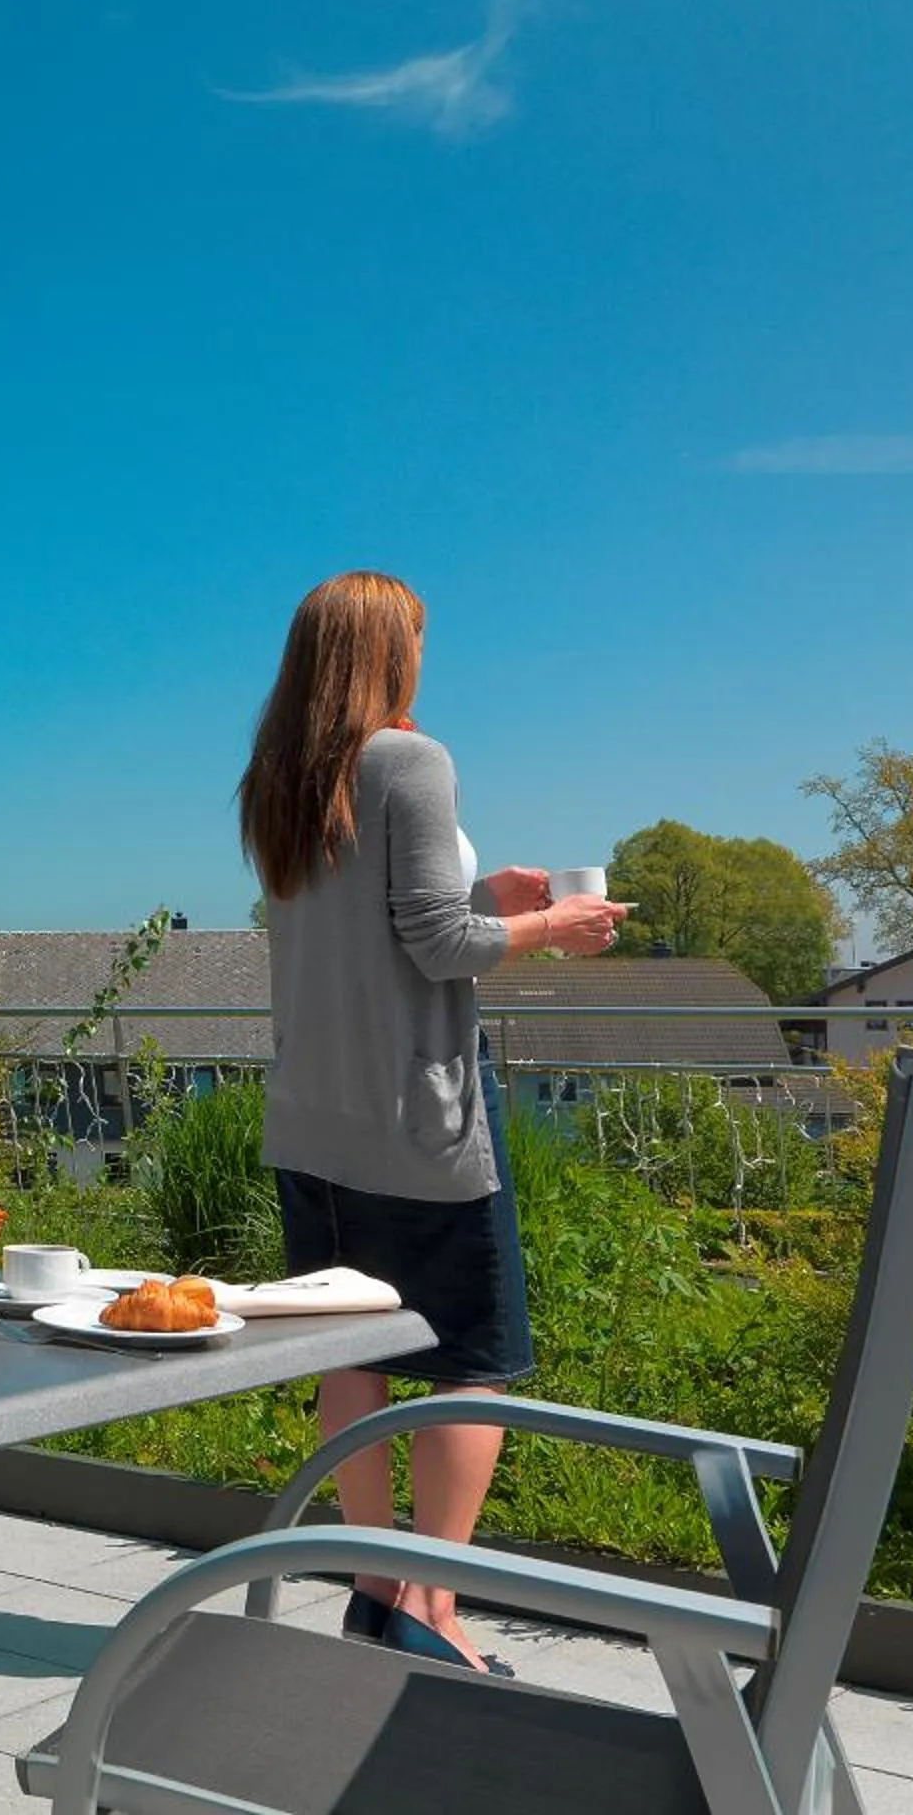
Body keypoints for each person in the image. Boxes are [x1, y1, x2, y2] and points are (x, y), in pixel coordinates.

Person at [236, 569, 624, 1674]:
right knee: (475, 1358)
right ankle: (435, 1607)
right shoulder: (412, 759)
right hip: (416, 1117)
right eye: (415, 641)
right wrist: (553, 925)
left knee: (349, 1350)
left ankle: (373, 1590)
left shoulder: (281, 779)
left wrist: (484, 899)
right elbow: (436, 950)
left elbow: (383, 926)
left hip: (309, 1118)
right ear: (387, 653)